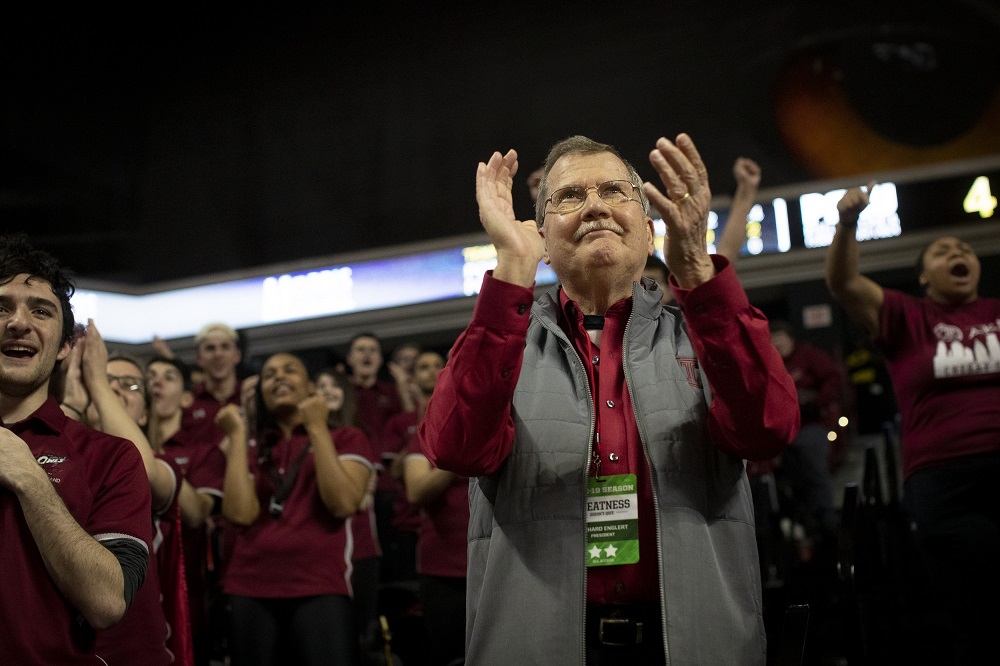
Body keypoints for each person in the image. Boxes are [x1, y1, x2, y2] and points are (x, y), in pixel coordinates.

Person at [418, 134, 799, 664]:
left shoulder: (705, 333)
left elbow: (769, 428)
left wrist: (694, 271)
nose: (596, 205)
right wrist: (510, 273)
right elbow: (456, 449)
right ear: (543, 239)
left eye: (615, 191)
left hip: (691, 647)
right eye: (570, 196)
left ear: (648, 234)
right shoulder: (500, 340)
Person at [826, 184, 1000, 664]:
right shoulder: (907, 316)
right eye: (943, 252)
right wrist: (847, 225)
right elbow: (844, 284)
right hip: (945, 481)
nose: (957, 253)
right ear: (924, 276)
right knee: (977, 613)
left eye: (964, 249)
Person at [0, 233, 152, 663]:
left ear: (66, 345)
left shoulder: (113, 458)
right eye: (1, 307)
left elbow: (107, 602)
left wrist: (29, 477)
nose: (18, 323)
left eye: (41, 311)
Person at [221, 352, 377, 666]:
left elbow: (343, 503)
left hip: (319, 585)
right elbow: (239, 514)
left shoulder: (346, 437)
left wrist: (317, 427)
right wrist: (239, 436)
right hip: (249, 586)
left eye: (290, 370)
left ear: (310, 387)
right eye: (270, 374)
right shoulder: (253, 446)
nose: (279, 377)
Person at [61, 326, 198, 665]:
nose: (113, 388)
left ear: (146, 414)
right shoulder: (57, 456)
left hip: (135, 653)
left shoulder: (164, 466)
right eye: (107, 379)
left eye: (131, 385)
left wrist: (97, 379)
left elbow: (142, 468)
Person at [401, 350, 468, 666]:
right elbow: (416, 491)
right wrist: (463, 454)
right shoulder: (427, 435)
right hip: (442, 567)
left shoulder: (498, 423)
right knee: (449, 656)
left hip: (495, 560)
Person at [315, 366, 383, 658]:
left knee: (358, 638)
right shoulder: (303, 440)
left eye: (335, 385)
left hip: (360, 549)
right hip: (321, 550)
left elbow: (358, 497)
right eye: (320, 385)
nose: (328, 390)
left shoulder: (355, 435)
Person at [642, 156, 762, 305]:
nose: (645, 292)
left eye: (653, 283)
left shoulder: (687, 322)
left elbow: (724, 257)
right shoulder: (612, 325)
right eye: (638, 286)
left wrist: (746, 191)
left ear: (669, 290)